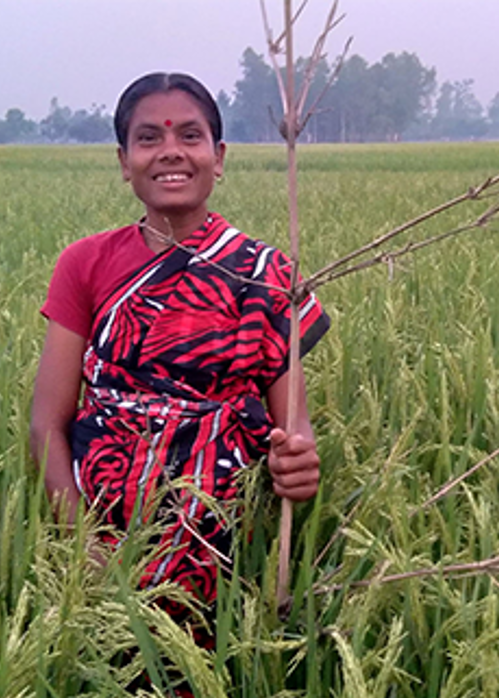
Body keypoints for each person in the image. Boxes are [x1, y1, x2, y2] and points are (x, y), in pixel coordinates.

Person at [29, 71, 328, 633]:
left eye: (190, 136)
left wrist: (299, 466)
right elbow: (48, 424)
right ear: (124, 161)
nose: (171, 151)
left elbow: (297, 428)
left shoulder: (269, 275)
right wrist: (80, 543)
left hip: (226, 538)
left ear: (218, 157)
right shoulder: (83, 264)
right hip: (104, 536)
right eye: (149, 139)